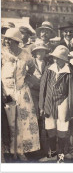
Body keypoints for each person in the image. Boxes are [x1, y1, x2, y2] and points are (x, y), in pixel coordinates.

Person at [1, 28, 40, 161]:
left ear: (16, 42)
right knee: (9, 122)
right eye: (5, 39)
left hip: (22, 92)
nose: (6, 42)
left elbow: (32, 67)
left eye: (9, 40)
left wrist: (27, 77)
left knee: (23, 122)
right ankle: (10, 151)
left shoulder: (25, 54)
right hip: (7, 92)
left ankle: (22, 151)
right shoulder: (2, 54)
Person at [39, 45, 73, 163]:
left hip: (63, 103)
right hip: (49, 103)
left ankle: (61, 157)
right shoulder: (49, 69)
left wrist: (70, 110)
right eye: (55, 58)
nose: (56, 60)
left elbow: (71, 92)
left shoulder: (69, 72)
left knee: (62, 129)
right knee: (50, 128)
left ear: (65, 60)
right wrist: (41, 105)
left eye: (59, 58)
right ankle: (53, 154)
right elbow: (43, 88)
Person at [30, 40, 50, 155]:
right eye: (37, 51)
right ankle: (36, 145)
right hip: (34, 93)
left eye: (42, 51)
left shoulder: (49, 63)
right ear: (34, 52)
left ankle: (46, 145)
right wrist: (31, 83)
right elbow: (26, 75)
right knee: (35, 117)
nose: (39, 53)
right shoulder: (31, 63)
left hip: (46, 93)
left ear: (45, 52)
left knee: (45, 117)